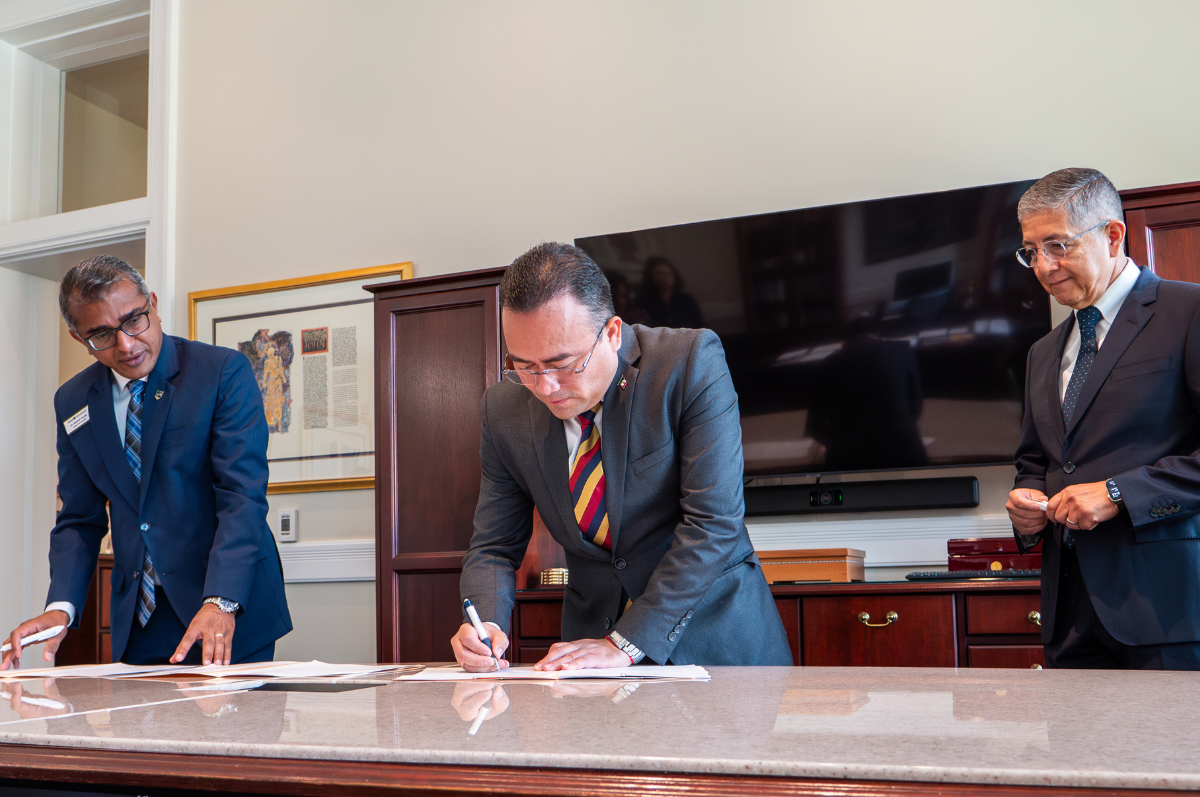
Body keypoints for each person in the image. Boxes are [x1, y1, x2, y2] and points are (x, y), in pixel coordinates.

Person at [452, 242, 791, 671]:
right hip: (589, 653)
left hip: (714, 644)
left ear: (612, 333)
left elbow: (713, 522)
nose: (545, 387)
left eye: (563, 364)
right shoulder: (503, 411)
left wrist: (625, 643)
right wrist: (485, 624)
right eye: (525, 366)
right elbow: (494, 547)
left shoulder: (687, 364)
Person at [2, 255, 291, 671]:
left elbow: (241, 496)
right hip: (139, 619)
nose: (125, 344)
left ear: (152, 304)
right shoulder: (73, 401)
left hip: (228, 606)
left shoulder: (221, 371)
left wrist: (220, 600)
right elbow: (79, 517)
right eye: (100, 334)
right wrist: (60, 607)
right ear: (77, 337)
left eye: (134, 320)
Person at [1005, 168, 1200, 669]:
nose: (1044, 267)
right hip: (1068, 619)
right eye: (1032, 252)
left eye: (1058, 245)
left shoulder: (1190, 312)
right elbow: (1036, 461)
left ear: (1113, 235)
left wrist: (1117, 493)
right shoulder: (1042, 353)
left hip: (1171, 613)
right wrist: (1025, 505)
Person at [638, 256, 705, 329]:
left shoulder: (687, 300)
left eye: (668, 274)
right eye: (659, 274)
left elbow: (700, 326)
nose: (664, 278)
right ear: (650, 276)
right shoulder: (644, 301)